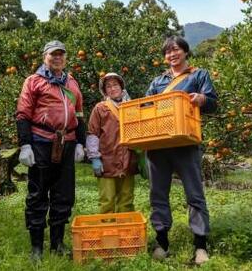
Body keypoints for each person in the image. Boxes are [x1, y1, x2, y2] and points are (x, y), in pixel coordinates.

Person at [145, 36, 217, 265]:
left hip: (186, 143)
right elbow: (147, 106)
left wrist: (202, 98)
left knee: (194, 194)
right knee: (158, 194)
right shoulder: (158, 81)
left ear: (186, 52)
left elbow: (214, 103)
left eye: (176, 50)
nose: (172, 55)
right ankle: (162, 241)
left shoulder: (199, 75)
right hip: (159, 144)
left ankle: (200, 246)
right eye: (168, 52)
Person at [16, 40, 86, 261]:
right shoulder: (34, 81)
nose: (57, 58)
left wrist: (81, 143)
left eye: (61, 55)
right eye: (53, 54)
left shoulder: (72, 82)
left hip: (67, 142)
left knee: (64, 195)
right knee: (38, 193)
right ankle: (36, 248)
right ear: (44, 56)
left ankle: (57, 243)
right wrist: (25, 143)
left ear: (65, 58)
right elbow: (23, 114)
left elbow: (80, 114)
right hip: (41, 141)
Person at [86, 73, 138, 214]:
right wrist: (94, 157)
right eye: (108, 86)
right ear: (105, 91)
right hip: (106, 161)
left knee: (126, 200)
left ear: (121, 87)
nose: (112, 88)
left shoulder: (132, 106)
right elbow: (92, 134)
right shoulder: (100, 108)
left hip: (128, 160)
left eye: (115, 85)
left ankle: (124, 233)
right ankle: (108, 234)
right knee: (107, 201)